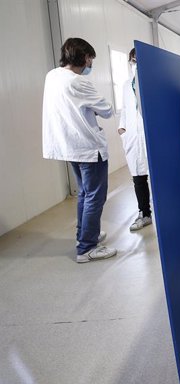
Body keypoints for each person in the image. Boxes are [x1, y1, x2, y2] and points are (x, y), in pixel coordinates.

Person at [42, 37, 117, 263]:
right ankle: (87, 248)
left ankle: (84, 235)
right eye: (91, 59)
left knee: (84, 193)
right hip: (88, 147)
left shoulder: (52, 76)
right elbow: (107, 110)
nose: (91, 64)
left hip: (69, 147)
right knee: (95, 196)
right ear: (85, 57)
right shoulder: (78, 82)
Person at [118, 47, 152, 231]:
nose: (135, 64)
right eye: (133, 60)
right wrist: (122, 127)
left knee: (158, 178)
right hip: (133, 136)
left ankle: (166, 213)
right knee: (139, 178)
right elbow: (125, 108)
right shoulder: (126, 84)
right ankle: (144, 214)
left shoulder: (153, 82)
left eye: (138, 60)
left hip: (150, 137)